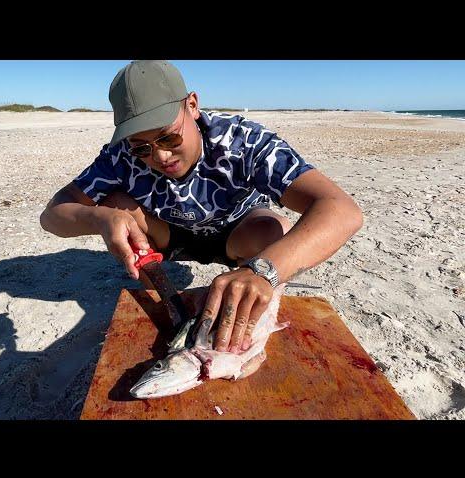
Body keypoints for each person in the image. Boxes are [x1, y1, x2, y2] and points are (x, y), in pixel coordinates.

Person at [40, 60, 363, 355]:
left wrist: (264, 270)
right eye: (143, 147)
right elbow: (53, 215)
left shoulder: (243, 142)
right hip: (167, 236)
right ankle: (161, 297)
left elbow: (341, 209)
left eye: (168, 138)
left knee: (272, 230)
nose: (160, 157)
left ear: (192, 105)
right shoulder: (121, 155)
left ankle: (248, 292)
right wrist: (99, 217)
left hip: (238, 232)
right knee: (114, 205)